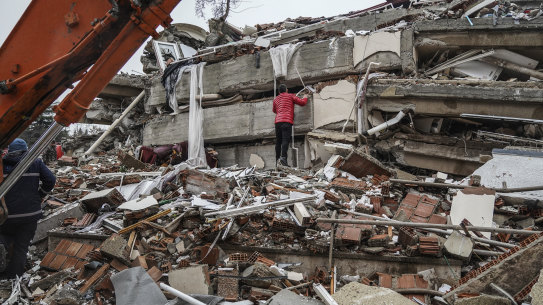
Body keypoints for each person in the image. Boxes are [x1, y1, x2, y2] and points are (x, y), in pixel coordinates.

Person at [0, 138, 56, 278]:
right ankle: (14, 278)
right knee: (21, 248)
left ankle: (3, 246)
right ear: (26, 150)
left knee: (4, 238)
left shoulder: (1, 164)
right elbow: (51, 179)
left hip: (6, 215)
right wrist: (40, 195)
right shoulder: (35, 162)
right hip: (30, 214)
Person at [272, 84, 309, 167]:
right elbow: (302, 103)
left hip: (277, 122)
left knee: (278, 142)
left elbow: (274, 110)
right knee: (285, 140)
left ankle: (277, 161)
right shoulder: (291, 96)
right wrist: (305, 96)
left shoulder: (276, 99)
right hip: (286, 121)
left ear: (279, 91)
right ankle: (283, 159)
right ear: (287, 90)